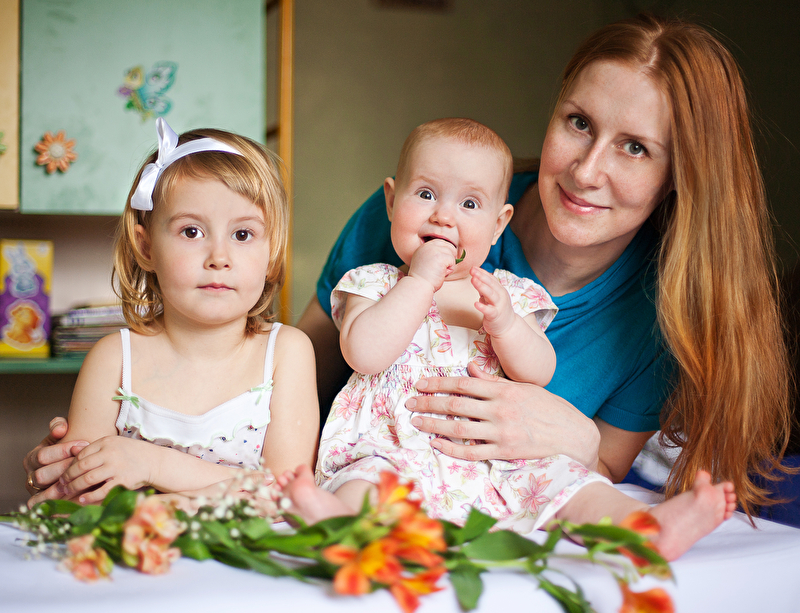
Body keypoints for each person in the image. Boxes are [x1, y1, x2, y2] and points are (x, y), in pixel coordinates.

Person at [25, 14, 792, 520]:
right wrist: (148, 438)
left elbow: (600, 469)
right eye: (578, 123)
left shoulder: (661, 306)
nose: (588, 170)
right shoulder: (405, 227)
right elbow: (282, 367)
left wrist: (583, 439)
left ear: (680, 176)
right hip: (375, 474)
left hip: (502, 502)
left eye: (635, 147)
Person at [278, 118, 737, 560]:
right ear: (391, 201)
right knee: (366, 481)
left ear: (499, 225)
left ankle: (641, 528)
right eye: (426, 194)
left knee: (567, 480)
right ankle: (342, 525)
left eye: (469, 204)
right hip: (394, 447)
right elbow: (364, 353)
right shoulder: (372, 284)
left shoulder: (508, 295)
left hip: (493, 461)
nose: (444, 216)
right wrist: (417, 283)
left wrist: (507, 326)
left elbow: (540, 372)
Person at [36, 118, 319, 506]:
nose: (219, 257)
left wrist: (152, 464)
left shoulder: (286, 352)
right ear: (146, 247)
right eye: (191, 232)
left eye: (243, 234)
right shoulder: (114, 359)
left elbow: (288, 493)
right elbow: (78, 496)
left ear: (271, 253)